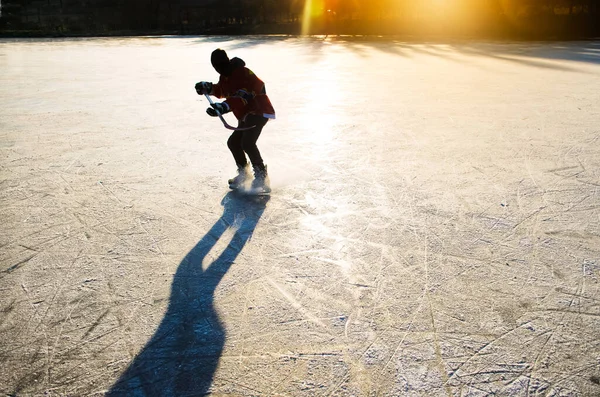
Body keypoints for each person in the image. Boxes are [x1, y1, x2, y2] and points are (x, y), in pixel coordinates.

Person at [195, 48, 275, 192]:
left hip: (258, 110)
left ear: (226, 61)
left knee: (247, 142)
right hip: (246, 114)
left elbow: (241, 97)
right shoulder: (225, 75)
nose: (219, 69)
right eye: (216, 67)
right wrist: (209, 88)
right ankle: (245, 174)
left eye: (220, 65)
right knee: (233, 142)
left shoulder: (241, 73)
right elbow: (223, 91)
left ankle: (262, 176)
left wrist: (223, 107)